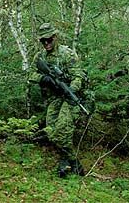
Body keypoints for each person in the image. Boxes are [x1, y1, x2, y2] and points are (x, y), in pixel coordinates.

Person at [28, 22, 86, 177]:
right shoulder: (40, 57)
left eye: (49, 40)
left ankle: (70, 162)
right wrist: (44, 79)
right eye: (43, 41)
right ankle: (69, 160)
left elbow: (78, 77)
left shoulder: (67, 54)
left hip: (69, 98)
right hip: (53, 99)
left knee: (63, 128)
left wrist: (70, 89)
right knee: (51, 130)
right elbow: (30, 74)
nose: (46, 43)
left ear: (55, 37)